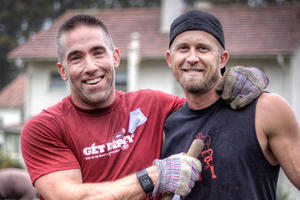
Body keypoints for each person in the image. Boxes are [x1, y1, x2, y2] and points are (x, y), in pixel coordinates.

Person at [20, 14, 268, 200]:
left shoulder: (153, 105)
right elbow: (70, 197)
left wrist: (246, 78)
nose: (90, 67)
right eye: (76, 58)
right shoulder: (45, 128)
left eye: (98, 53)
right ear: (62, 70)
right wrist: (154, 178)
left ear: (115, 57)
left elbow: (210, 103)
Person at [161, 10, 300, 200]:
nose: (192, 58)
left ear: (222, 59)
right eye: (183, 48)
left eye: (203, 48)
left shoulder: (266, 110)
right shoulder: (167, 127)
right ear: (170, 59)